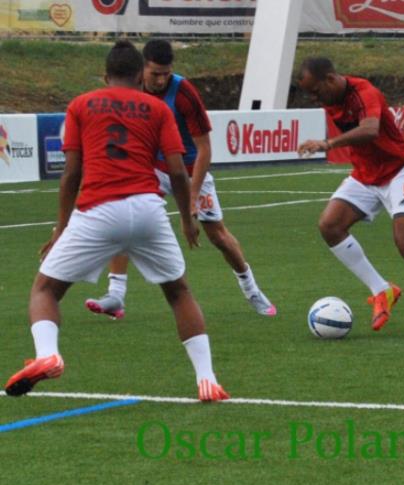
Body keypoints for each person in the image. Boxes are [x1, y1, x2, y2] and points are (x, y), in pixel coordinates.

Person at [4, 41, 229, 401]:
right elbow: (176, 172)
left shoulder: (81, 104)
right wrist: (188, 219)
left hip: (98, 209)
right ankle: (207, 380)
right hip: (147, 209)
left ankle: (48, 355)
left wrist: (61, 228)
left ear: (105, 76)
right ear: (140, 76)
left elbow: (71, 173)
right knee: (178, 291)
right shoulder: (157, 108)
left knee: (46, 290)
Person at [85, 39, 276, 319]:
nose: (161, 80)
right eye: (154, 74)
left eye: (166, 73)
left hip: (188, 171)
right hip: (153, 169)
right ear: (141, 70)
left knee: (218, 236)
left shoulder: (183, 92)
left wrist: (192, 197)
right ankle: (116, 295)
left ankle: (252, 290)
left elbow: (204, 149)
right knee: (124, 221)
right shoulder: (132, 91)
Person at [296, 57, 404, 332]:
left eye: (316, 91)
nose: (315, 98)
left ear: (330, 79)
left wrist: (328, 144)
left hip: (400, 170)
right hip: (366, 174)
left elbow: (370, 130)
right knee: (330, 225)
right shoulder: (331, 98)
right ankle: (382, 290)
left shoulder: (364, 92)